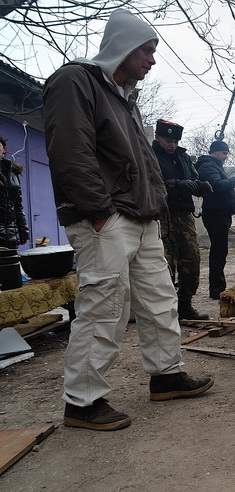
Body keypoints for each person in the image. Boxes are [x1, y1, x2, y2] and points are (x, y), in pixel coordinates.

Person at [42, 9, 214, 431]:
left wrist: (153, 205)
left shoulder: (125, 98)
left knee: (159, 300)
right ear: (122, 46)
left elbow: (143, 165)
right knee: (104, 306)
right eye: (147, 50)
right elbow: (70, 151)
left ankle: (167, 376)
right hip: (107, 217)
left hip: (142, 216)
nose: (152, 60)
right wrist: (97, 211)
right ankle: (82, 403)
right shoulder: (76, 81)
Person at [152, 119, 213, 320]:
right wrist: (175, 184)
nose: (172, 145)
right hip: (162, 216)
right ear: (157, 137)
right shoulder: (150, 155)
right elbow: (150, 181)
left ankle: (185, 306)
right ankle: (165, 312)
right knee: (165, 264)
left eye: (176, 141)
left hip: (185, 216)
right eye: (168, 140)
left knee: (191, 260)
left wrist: (200, 185)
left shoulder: (183, 157)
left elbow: (193, 178)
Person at [196, 140, 235, 299]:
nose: (226, 157)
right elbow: (217, 186)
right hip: (215, 215)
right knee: (218, 252)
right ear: (215, 152)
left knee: (220, 251)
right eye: (224, 153)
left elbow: (221, 192)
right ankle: (217, 289)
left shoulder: (215, 166)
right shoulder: (208, 166)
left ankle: (218, 288)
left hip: (220, 213)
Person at [0, 136, 29, 249]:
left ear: (4, 149)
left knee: (9, 264)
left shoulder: (13, 172)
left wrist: (23, 231)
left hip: (10, 234)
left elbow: (18, 205)